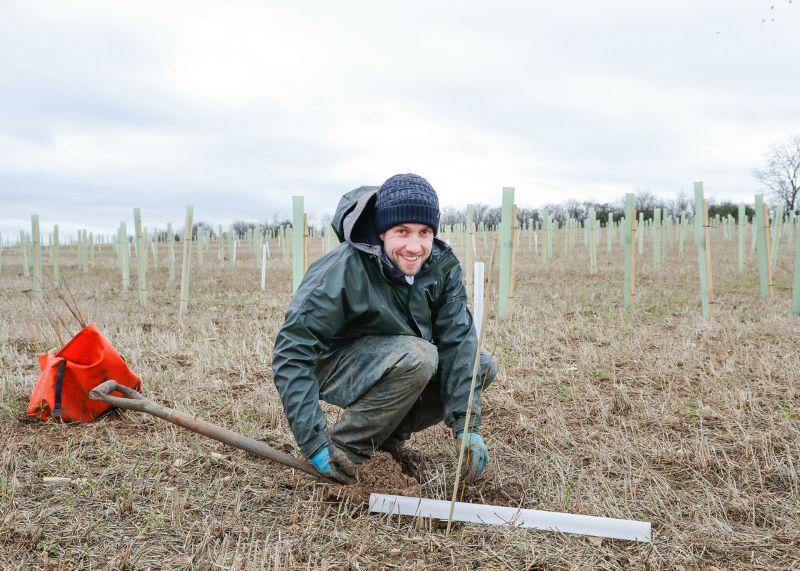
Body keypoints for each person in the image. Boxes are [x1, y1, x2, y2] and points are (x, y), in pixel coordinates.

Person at [272, 173, 499, 483]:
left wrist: (466, 426)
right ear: (381, 232)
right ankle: (347, 449)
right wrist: (314, 442)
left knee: (480, 364)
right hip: (332, 363)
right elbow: (292, 352)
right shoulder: (341, 270)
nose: (415, 246)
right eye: (401, 231)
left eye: (424, 232)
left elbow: (459, 342)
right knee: (419, 357)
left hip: (398, 358)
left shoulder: (441, 267)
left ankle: (387, 443)